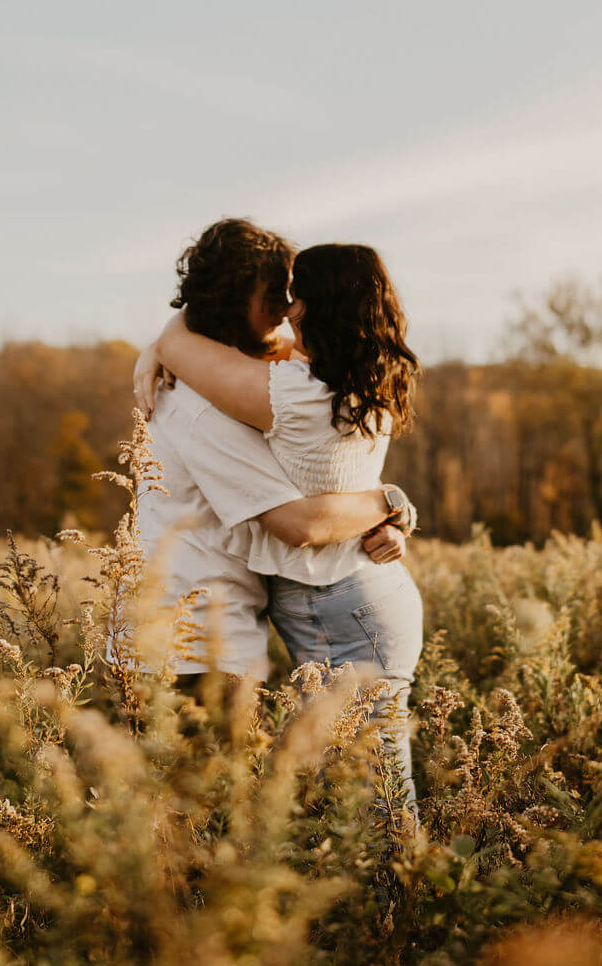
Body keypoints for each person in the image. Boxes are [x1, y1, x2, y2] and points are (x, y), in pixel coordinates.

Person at [137, 239, 425, 812]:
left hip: (340, 604)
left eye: (295, 298)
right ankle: (399, 893)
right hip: (350, 598)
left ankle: (404, 895)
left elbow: (300, 523)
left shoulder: (290, 392)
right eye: (277, 297)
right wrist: (389, 501)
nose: (287, 311)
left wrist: (161, 346)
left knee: (370, 790)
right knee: (362, 783)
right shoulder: (360, 383)